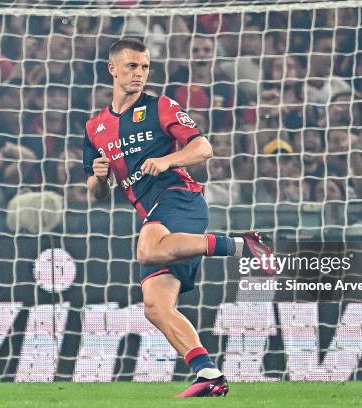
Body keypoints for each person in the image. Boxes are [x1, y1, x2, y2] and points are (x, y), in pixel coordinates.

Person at [82, 38, 274, 398]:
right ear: (112, 69)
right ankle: (208, 373)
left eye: (144, 67)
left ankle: (241, 245)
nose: (139, 74)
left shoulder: (161, 107)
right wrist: (98, 175)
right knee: (155, 306)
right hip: (153, 213)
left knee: (148, 249)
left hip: (178, 198)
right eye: (131, 66)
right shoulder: (95, 129)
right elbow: (96, 193)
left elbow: (203, 147)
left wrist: (168, 160)